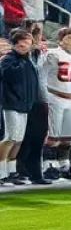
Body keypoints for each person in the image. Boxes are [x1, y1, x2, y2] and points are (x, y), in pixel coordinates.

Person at [0, 30, 43, 185]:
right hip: (11, 103)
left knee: (18, 140)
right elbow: (9, 76)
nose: (27, 44)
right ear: (17, 42)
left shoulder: (28, 60)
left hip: (25, 104)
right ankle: (1, 172)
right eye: (25, 41)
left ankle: (12, 170)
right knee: (10, 138)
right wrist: (20, 58)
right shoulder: (9, 59)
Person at [41, 26, 71, 180]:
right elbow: (43, 76)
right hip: (56, 96)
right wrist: (45, 96)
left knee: (68, 135)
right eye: (69, 38)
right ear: (61, 39)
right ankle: (49, 166)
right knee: (53, 135)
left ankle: (65, 165)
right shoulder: (53, 54)